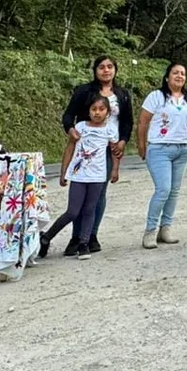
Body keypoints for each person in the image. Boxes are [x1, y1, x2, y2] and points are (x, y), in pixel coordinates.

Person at [61, 55, 133, 252]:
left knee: (99, 194)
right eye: (101, 67)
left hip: (109, 149)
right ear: (95, 70)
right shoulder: (84, 91)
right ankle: (75, 237)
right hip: (85, 149)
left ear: (115, 70)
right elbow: (68, 115)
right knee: (79, 195)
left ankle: (91, 235)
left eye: (110, 67)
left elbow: (127, 121)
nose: (106, 70)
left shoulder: (122, 94)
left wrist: (123, 141)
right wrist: (70, 130)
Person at [40, 96, 121, 260]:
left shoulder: (110, 130)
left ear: (108, 112)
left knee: (90, 209)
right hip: (79, 175)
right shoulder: (80, 127)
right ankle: (46, 237)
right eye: (94, 109)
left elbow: (115, 152)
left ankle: (84, 243)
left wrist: (115, 170)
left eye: (101, 109)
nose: (97, 113)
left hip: (97, 176)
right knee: (72, 211)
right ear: (88, 111)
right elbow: (70, 148)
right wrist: (63, 172)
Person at [137, 63, 187, 249]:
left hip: (182, 149)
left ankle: (166, 228)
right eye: (175, 73)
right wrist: (141, 145)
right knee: (163, 189)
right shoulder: (156, 97)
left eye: (183, 73)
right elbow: (142, 122)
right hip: (159, 148)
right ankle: (150, 230)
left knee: (174, 190)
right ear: (167, 77)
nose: (179, 76)